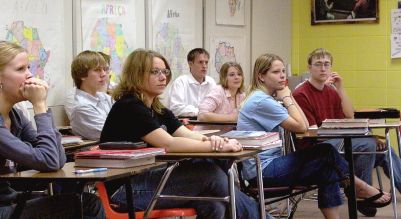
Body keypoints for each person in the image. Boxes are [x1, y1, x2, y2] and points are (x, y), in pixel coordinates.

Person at [100, 49, 267, 219]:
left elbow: (187, 135)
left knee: (213, 200)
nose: (163, 77)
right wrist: (214, 146)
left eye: (165, 71)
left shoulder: (157, 108)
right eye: (155, 72)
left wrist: (217, 141)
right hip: (125, 190)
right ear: (136, 74)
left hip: (148, 180)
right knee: (211, 176)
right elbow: (169, 144)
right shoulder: (130, 106)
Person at [237, 53, 391, 219]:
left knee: (327, 168)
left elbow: (303, 123)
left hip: (269, 166)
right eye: (276, 72)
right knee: (325, 151)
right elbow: (301, 126)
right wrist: (288, 96)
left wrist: (287, 95)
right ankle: (357, 185)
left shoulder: (268, 98)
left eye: (283, 70)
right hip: (261, 171)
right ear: (261, 76)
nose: (282, 75)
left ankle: (351, 192)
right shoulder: (261, 101)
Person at [0, 41, 105, 218]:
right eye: (20, 69)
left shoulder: (16, 116)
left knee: (83, 200)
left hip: (9, 201)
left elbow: (57, 159)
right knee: (87, 204)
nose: (29, 75)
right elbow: (49, 160)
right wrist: (39, 106)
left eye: (28, 68)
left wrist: (42, 107)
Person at [293, 48, 401, 216]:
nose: (323, 69)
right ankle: (360, 194)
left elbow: (349, 116)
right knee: (366, 144)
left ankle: (363, 194)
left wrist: (340, 88)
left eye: (326, 64)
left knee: (384, 150)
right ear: (309, 68)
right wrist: (366, 138)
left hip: (338, 140)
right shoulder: (301, 93)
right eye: (318, 64)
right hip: (317, 146)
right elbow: (311, 131)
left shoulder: (331, 91)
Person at [65, 51, 113, 140]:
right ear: (82, 75)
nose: (103, 74)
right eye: (97, 70)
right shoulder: (81, 107)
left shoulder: (105, 97)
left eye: (105, 69)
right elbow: (113, 133)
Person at [168, 48, 216, 117]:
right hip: (186, 124)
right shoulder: (181, 82)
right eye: (200, 62)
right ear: (190, 64)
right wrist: (202, 112)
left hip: (208, 122)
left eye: (206, 62)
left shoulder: (211, 82)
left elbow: (216, 106)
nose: (204, 66)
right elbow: (176, 108)